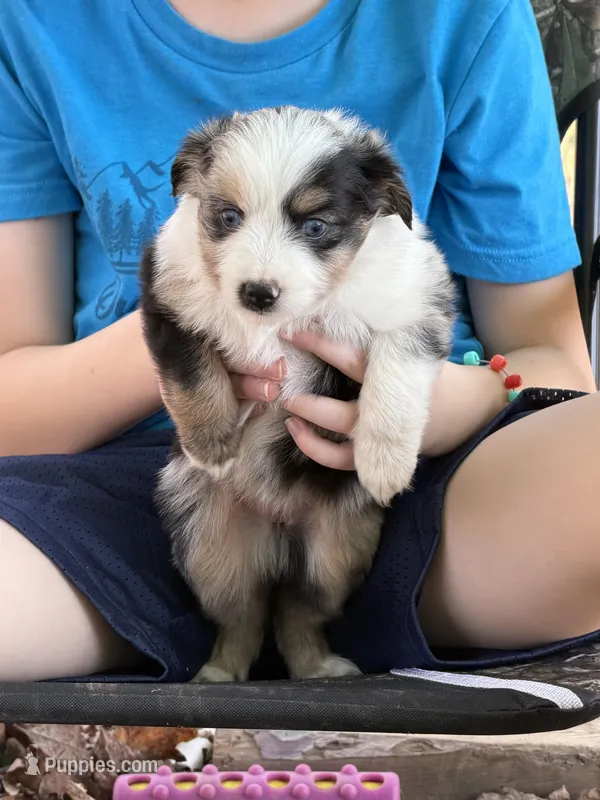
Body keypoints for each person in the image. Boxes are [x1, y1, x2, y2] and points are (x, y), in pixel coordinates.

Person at [0, 0, 598, 683]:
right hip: (122, 501)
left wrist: (458, 399)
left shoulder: (467, 15)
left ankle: (310, 626)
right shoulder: (34, 18)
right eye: (224, 216)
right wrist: (187, 337)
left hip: (434, 493)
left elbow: (559, 374)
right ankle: (214, 625)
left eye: (314, 229)